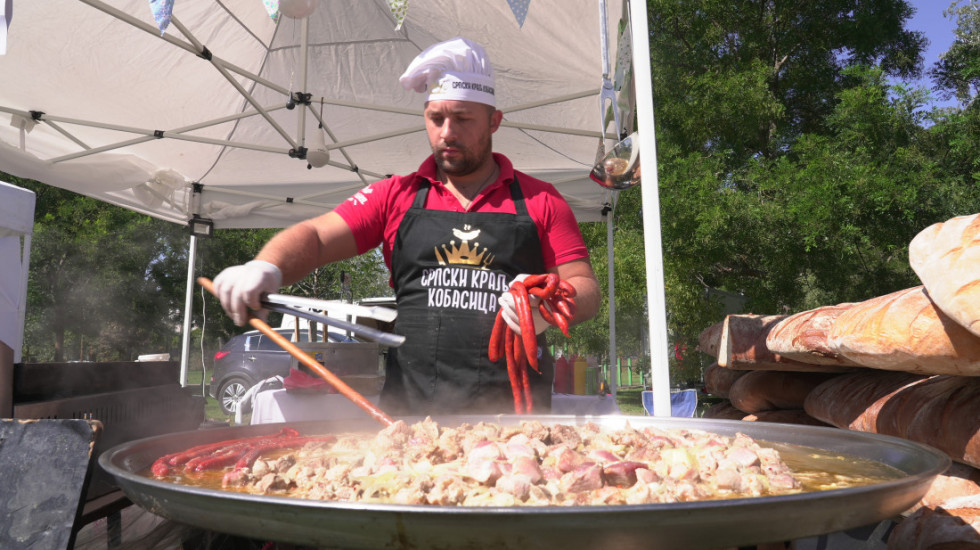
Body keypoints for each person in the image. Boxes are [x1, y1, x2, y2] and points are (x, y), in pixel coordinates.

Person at [213, 37, 600, 415]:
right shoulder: (395, 195)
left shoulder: (542, 200)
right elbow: (315, 237)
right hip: (410, 415)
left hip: (515, 416)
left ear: (494, 121)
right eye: (436, 119)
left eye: (463, 119)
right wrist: (267, 266)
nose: (447, 132)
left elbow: (586, 289)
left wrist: (547, 307)